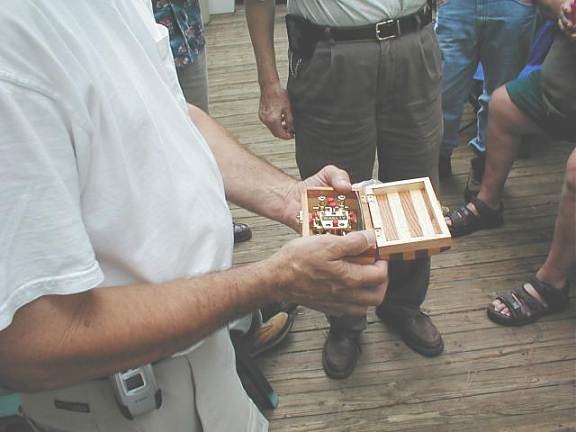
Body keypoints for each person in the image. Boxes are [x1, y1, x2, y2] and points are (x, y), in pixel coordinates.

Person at [0, 1, 390, 431]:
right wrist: (271, 282)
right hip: (124, 402)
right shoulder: (13, 49)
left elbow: (173, 114)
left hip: (209, 357)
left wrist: (289, 197)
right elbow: (34, 342)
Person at [245, 0, 445, 380]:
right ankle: (344, 321)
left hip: (414, 44)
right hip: (331, 53)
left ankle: (403, 304)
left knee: (413, 187)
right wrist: (269, 83)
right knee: (335, 199)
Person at [152, 0, 295, 358]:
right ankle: (235, 326)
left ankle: (237, 320)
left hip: (182, 40)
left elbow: (186, 121)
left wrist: (288, 194)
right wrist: (272, 280)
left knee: (194, 180)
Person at [446, 1, 575, 325]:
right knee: (503, 106)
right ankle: (487, 204)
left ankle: (552, 283)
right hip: (561, 90)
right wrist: (562, 9)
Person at [153, 0, 253, 243]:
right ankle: (168, 227)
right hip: (142, 52)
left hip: (188, 40)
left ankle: (215, 219)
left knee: (200, 136)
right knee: (153, 141)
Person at [436, 0, 536, 189]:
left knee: (499, 99)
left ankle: (485, 168)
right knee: (443, 92)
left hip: (512, 6)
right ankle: (439, 157)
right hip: (457, 6)